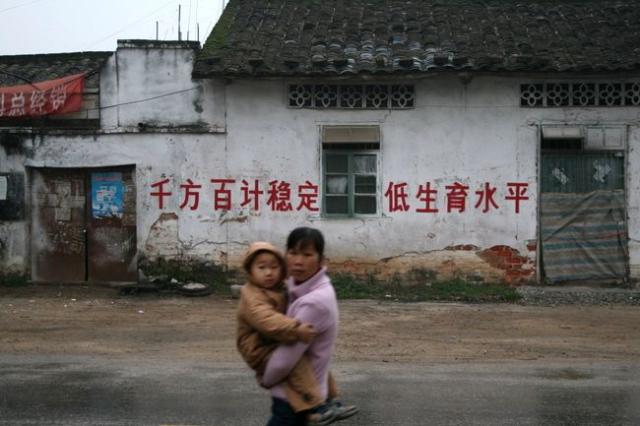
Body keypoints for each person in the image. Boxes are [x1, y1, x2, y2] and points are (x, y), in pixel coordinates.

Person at [236, 241, 341, 426]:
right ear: (250, 271)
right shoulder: (251, 296)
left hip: (272, 339)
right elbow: (267, 320)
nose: (269, 273)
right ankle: (317, 405)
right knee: (298, 363)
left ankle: (331, 400)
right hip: (258, 347)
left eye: (274, 267)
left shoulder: (278, 288)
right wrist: (295, 329)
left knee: (317, 361)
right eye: (261, 268)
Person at [262, 227, 358, 425]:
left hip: (298, 399)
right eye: (293, 253)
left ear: (321, 260)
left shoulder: (314, 302)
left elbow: (285, 358)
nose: (298, 261)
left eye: (307, 254)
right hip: (300, 394)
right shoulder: (297, 286)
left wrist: (267, 377)